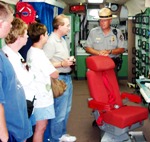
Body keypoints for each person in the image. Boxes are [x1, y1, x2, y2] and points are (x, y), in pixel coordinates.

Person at [0, 2, 32, 142]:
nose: (11, 25)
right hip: (9, 130)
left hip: (17, 121)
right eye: (10, 22)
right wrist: (5, 137)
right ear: (1, 23)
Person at [43, 14, 76, 142]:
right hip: (59, 79)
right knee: (60, 111)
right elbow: (44, 63)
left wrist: (67, 61)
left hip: (67, 77)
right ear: (59, 26)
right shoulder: (51, 41)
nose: (69, 28)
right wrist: (62, 64)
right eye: (67, 25)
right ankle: (56, 137)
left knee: (66, 110)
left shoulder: (62, 40)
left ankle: (62, 134)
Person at [26, 22, 59, 142]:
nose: (47, 35)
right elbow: (55, 74)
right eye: (46, 34)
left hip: (36, 95)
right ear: (41, 37)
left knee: (38, 128)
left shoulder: (31, 51)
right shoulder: (39, 55)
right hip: (42, 98)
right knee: (41, 128)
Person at [2, 17, 36, 116]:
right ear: (19, 36)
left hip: (27, 102)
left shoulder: (16, 54)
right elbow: (22, 80)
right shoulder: (7, 57)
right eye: (26, 34)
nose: (28, 37)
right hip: (19, 105)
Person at [85, 7, 126, 71]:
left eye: (105, 20)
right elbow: (87, 48)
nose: (102, 22)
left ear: (110, 20)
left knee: (111, 81)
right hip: (96, 63)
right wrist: (98, 53)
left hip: (112, 64)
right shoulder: (93, 32)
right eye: (100, 20)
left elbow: (122, 49)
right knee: (96, 81)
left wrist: (110, 51)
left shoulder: (117, 32)